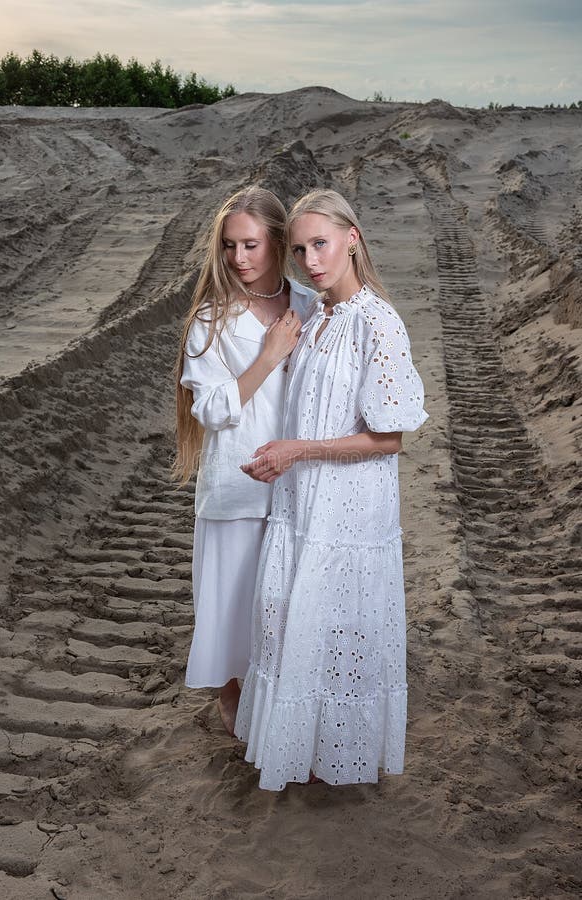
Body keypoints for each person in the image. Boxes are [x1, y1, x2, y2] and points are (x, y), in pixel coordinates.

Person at [235, 188, 429, 790]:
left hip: (349, 511)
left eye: (321, 243)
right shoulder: (317, 316)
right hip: (302, 502)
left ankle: (335, 758)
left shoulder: (380, 323)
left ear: (353, 238)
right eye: (299, 250)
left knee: (339, 625)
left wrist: (301, 452)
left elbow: (390, 438)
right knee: (294, 620)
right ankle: (299, 749)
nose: (311, 260)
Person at [173, 186, 317, 735]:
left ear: (279, 242)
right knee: (232, 606)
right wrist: (268, 356)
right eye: (231, 246)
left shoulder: (310, 304)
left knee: (282, 606)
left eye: (252, 244)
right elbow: (209, 409)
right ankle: (231, 697)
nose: (240, 258)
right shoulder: (212, 318)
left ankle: (280, 698)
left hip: (300, 483)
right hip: (236, 484)